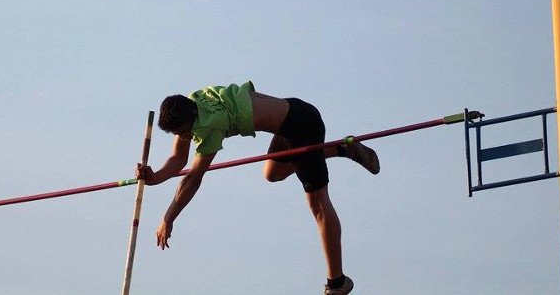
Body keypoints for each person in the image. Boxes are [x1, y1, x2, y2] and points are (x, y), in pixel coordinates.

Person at [135, 81, 380, 295]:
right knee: (272, 173)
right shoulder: (193, 101)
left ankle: (337, 283)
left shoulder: (210, 124)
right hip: (292, 119)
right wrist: (154, 177)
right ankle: (343, 148)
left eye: (184, 132)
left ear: (192, 120)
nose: (184, 137)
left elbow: (193, 178)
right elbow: (179, 159)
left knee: (318, 204)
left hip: (303, 127)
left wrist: (168, 218)